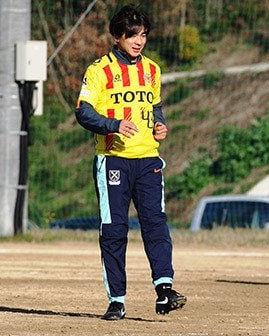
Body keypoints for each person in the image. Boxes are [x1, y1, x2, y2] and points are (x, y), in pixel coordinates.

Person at [75, 4, 185, 320]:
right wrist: (113, 125)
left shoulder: (152, 69)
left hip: (148, 158)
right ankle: (117, 300)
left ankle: (165, 290)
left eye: (143, 35)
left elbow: (155, 106)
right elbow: (83, 111)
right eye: (132, 35)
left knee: (155, 223)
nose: (139, 41)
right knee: (114, 230)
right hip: (113, 161)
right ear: (117, 36)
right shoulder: (99, 70)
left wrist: (159, 124)